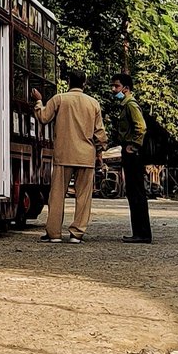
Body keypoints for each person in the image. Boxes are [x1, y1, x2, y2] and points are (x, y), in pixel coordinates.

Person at [33, 70, 106, 243]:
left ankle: (54, 233)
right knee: (83, 197)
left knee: (57, 195)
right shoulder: (93, 103)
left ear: (68, 81)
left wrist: (38, 101)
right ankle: (77, 233)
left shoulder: (59, 99)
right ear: (84, 84)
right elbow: (99, 133)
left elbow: (43, 117)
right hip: (86, 156)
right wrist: (100, 152)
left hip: (64, 154)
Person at [111, 73, 152, 244]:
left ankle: (142, 233)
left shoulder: (130, 105)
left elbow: (141, 127)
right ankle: (139, 232)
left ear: (126, 88)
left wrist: (134, 145)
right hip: (130, 152)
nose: (114, 89)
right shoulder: (125, 105)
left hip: (132, 154)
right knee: (133, 192)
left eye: (117, 86)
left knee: (136, 193)